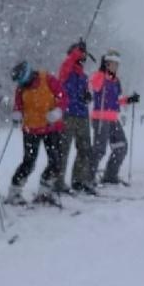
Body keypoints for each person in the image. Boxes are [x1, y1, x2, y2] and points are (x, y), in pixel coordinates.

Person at [5, 60, 67, 203]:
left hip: (51, 127)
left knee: (56, 161)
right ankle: (14, 192)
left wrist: (58, 110)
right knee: (29, 162)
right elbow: (18, 104)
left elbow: (63, 96)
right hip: (31, 129)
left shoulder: (47, 79)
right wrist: (17, 114)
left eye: (22, 79)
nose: (21, 84)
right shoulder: (21, 88)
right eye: (19, 81)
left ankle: (44, 191)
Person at [89, 51, 139, 185]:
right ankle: (87, 177)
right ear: (106, 63)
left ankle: (110, 175)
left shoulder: (116, 81)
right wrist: (102, 71)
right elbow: (94, 85)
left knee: (121, 146)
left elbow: (116, 101)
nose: (116, 67)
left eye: (118, 64)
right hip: (100, 118)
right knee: (99, 149)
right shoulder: (99, 76)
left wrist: (129, 99)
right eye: (113, 64)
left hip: (112, 118)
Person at [56, 39, 97, 192]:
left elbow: (84, 93)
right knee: (63, 149)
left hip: (82, 114)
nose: (83, 58)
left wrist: (87, 96)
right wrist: (77, 51)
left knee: (85, 148)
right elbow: (69, 62)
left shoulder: (84, 76)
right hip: (67, 114)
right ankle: (57, 182)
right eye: (81, 54)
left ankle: (79, 180)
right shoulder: (66, 68)